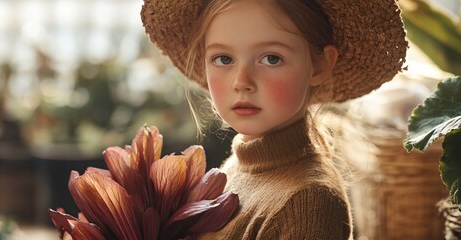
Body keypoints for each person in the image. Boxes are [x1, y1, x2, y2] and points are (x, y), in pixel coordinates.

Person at [141, 0, 407, 239]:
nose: (241, 82)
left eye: (271, 58)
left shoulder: (310, 204)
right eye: (223, 58)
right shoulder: (235, 168)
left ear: (320, 66)